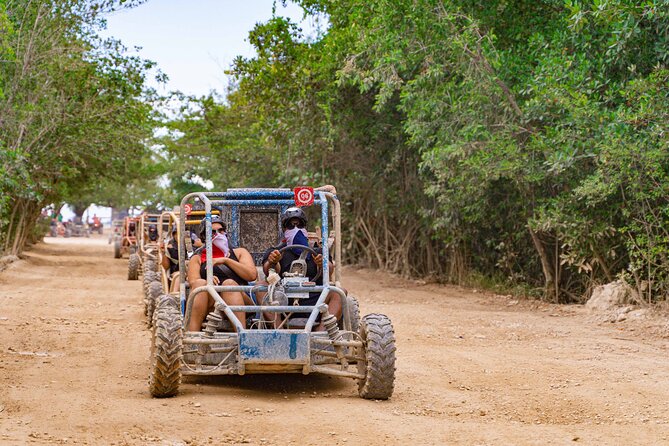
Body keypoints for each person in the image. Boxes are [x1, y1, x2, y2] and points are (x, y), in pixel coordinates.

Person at [260, 207, 342, 330]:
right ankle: (279, 333)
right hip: (283, 300)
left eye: (299, 224)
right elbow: (268, 271)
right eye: (290, 225)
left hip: (314, 298)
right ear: (284, 228)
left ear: (305, 227)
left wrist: (322, 264)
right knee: (260, 287)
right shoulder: (275, 251)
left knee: (339, 292)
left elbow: (329, 270)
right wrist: (273, 262)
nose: (296, 229)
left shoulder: (318, 251)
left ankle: (320, 335)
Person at [186, 215, 257, 332]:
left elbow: (251, 275)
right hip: (210, 302)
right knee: (200, 284)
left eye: (221, 230)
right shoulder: (197, 258)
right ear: (204, 236)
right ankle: (193, 336)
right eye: (212, 232)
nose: (218, 234)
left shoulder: (239, 252)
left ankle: (242, 339)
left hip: (239, 299)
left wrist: (226, 260)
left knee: (229, 284)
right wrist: (208, 280)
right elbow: (194, 282)